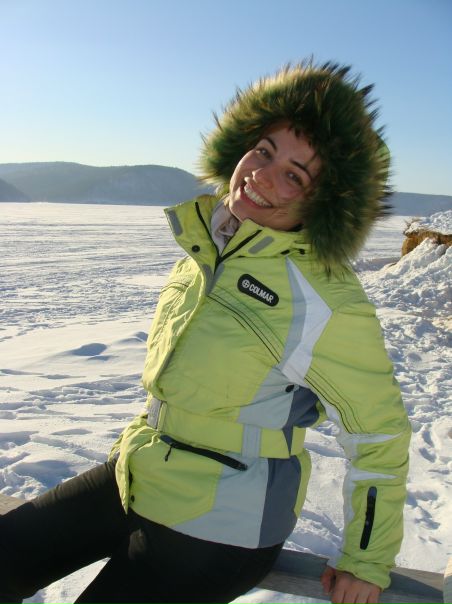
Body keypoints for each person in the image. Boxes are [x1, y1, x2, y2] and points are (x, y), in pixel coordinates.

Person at [0, 60, 411, 604]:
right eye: (263, 151)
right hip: (141, 474)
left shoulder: (326, 299)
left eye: (295, 175)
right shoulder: (210, 245)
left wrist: (367, 560)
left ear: (326, 203)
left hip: (222, 527)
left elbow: (380, 435)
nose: (262, 175)